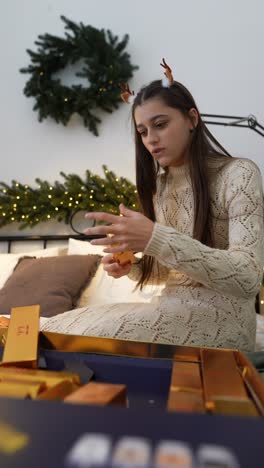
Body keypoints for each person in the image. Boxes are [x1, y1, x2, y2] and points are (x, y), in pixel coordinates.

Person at [43, 60, 264, 352]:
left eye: (160, 125)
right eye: (143, 131)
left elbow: (248, 278)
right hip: (172, 309)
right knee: (51, 327)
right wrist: (132, 265)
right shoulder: (162, 185)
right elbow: (168, 272)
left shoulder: (239, 174)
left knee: (72, 338)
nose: (151, 139)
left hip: (225, 320)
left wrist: (155, 238)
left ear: (192, 119)